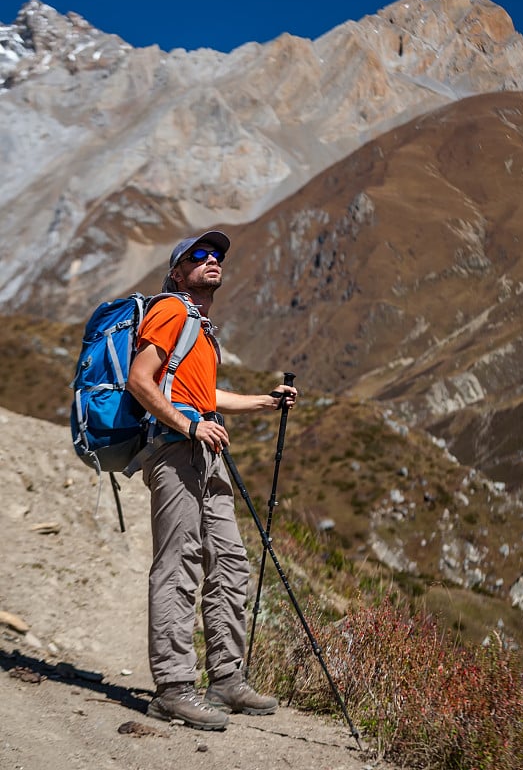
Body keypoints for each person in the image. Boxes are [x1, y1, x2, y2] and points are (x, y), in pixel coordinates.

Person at [126, 230, 297, 731]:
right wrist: (188, 425)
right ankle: (173, 687)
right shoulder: (171, 311)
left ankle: (225, 678)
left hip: (204, 451)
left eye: (217, 255)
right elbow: (141, 379)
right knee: (179, 564)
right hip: (175, 450)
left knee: (230, 561)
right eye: (198, 255)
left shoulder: (200, 327)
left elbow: (205, 394)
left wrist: (265, 402)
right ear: (178, 271)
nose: (211, 260)